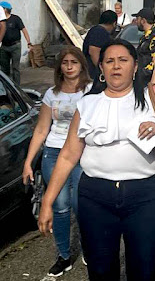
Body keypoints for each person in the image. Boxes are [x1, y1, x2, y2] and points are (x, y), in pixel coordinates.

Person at [38, 39, 155, 280]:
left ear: (135, 66)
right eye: (109, 61)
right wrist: (48, 200)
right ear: (102, 69)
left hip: (145, 196)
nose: (116, 66)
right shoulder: (87, 104)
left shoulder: (153, 97)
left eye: (123, 60)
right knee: (100, 271)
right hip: (95, 197)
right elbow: (67, 156)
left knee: (144, 270)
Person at [22, 46, 92, 277]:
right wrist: (28, 161)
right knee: (60, 206)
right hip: (53, 151)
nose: (70, 66)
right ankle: (63, 256)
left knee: (80, 203)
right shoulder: (52, 94)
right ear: (60, 67)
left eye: (74, 62)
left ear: (82, 64)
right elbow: (42, 129)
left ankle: (89, 250)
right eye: (65, 62)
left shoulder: (91, 90)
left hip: (81, 153)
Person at [133, 8, 155, 86]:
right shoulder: (147, 36)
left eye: (137, 19)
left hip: (152, 82)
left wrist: (140, 74)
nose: (136, 22)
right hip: (145, 81)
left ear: (143, 21)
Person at [0, 2, 32, 84]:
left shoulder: (16, 19)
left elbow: (24, 31)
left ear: (5, 9)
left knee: (15, 68)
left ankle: (17, 88)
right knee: (4, 69)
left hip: (15, 46)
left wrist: (29, 43)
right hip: (4, 47)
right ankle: (6, 86)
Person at [83, 10, 117, 80]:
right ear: (114, 23)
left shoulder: (97, 30)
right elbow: (93, 52)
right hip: (93, 74)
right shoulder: (99, 32)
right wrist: (101, 70)